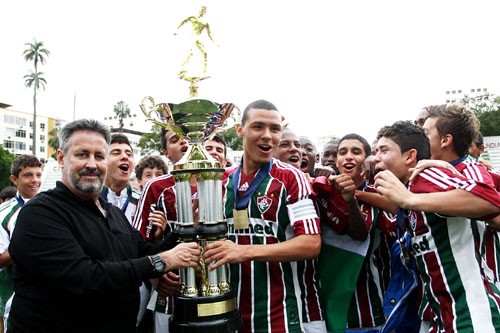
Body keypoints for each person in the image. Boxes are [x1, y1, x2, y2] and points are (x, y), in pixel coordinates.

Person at [7, 119, 201, 333]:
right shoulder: (40, 213)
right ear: (61, 158)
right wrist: (162, 261)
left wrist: (187, 229)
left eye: (99, 156)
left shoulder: (112, 212)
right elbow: (85, 278)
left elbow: (143, 251)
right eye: (82, 154)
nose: (92, 164)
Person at [203, 100, 321, 333]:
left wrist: (244, 251)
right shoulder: (220, 180)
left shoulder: (290, 178)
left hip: (279, 316)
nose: (268, 136)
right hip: (226, 314)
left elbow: (311, 243)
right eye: (258, 127)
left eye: (274, 129)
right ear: (240, 130)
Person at [373, 120, 500, 332]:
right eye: (375, 151)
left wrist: (410, 200)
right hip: (441, 316)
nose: (375, 157)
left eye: (384, 150)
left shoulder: (425, 176)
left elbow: (490, 200)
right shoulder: (409, 188)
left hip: (472, 316)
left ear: (410, 156)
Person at [274, 128, 326, 333]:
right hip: (272, 306)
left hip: (311, 303)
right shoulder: (245, 189)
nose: (296, 150)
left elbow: (312, 245)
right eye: (285, 144)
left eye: (298, 145)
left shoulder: (323, 186)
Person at [0, 155, 42, 332]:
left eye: (38, 175)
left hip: (50, 293)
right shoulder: (4, 214)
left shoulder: (52, 207)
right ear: (14, 179)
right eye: (28, 175)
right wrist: (26, 247)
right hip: (15, 294)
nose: (35, 180)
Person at [100, 133, 141, 224]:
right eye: (116, 153)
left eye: (129, 154)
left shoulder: (143, 202)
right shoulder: (89, 201)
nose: (125, 157)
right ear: (102, 160)